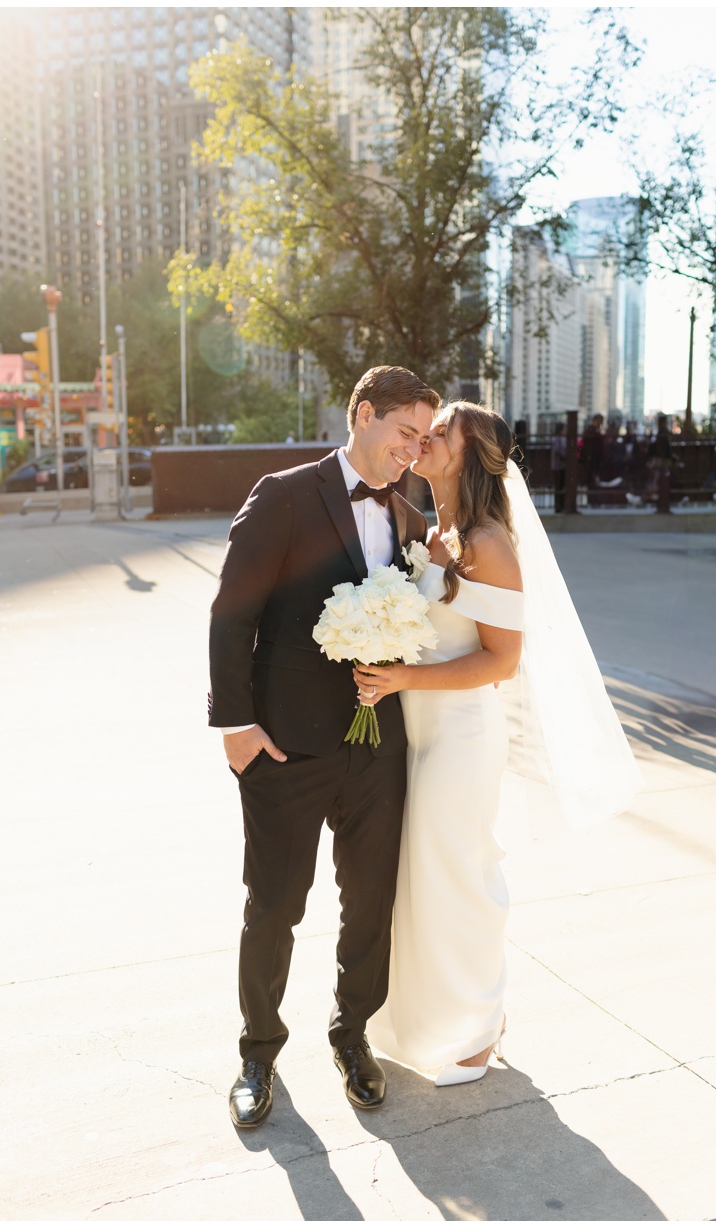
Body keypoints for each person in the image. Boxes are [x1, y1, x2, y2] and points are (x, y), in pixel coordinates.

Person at [355, 403, 641, 1086]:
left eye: (443, 430)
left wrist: (401, 677)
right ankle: (437, 1017)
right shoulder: (436, 537)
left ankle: (479, 1026)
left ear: (472, 453)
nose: (427, 437)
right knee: (420, 879)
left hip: (460, 738)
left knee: (459, 877)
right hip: (417, 730)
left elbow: (500, 662)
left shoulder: (490, 543)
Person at [209, 365, 439, 1128]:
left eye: (423, 438)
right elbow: (230, 613)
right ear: (363, 414)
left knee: (369, 902)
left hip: (377, 749)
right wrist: (237, 726)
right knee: (275, 905)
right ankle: (256, 1052)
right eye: (405, 432)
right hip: (285, 747)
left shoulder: (413, 512)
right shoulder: (283, 494)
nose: (414, 449)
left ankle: (352, 1035)